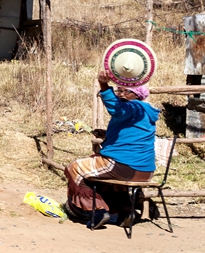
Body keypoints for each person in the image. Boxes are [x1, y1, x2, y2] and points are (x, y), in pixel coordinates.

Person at [64, 69, 160, 228]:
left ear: (137, 94)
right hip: (144, 170)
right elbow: (130, 136)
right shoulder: (145, 111)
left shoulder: (132, 107)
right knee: (103, 175)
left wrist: (103, 85)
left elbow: (117, 109)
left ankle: (97, 210)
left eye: (126, 91)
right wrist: (108, 134)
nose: (121, 94)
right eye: (119, 90)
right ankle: (125, 212)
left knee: (75, 168)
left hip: (124, 166)